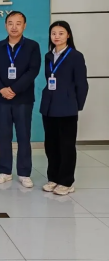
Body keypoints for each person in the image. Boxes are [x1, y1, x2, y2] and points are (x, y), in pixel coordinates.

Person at [0, 12, 41, 188]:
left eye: (18, 23)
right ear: (5, 25)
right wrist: (2, 89)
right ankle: (5, 171)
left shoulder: (32, 46)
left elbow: (33, 71)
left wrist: (14, 89)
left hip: (23, 98)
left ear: (24, 26)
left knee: (23, 135)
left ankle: (24, 173)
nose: (14, 27)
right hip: (2, 98)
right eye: (10, 23)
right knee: (3, 135)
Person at [40, 21, 88, 196]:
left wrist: (76, 105)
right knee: (51, 145)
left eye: (61, 33)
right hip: (49, 107)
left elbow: (82, 84)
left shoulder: (75, 56)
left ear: (68, 35)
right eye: (53, 33)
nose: (57, 36)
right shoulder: (48, 56)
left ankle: (66, 182)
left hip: (67, 107)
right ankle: (53, 178)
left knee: (66, 145)